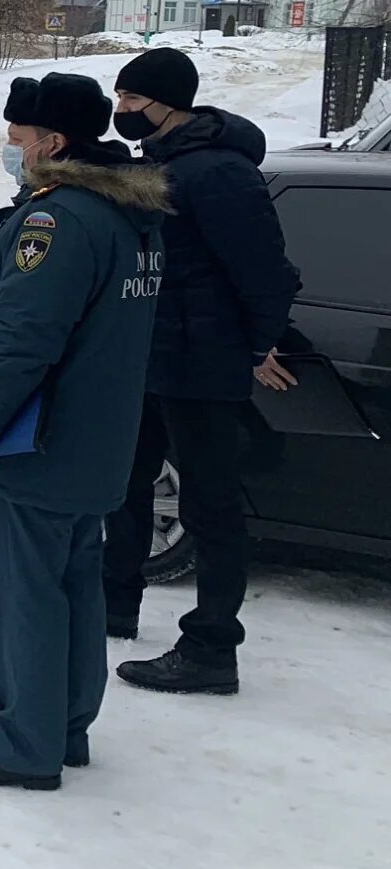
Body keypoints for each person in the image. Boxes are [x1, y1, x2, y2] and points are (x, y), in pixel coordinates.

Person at [0, 72, 169, 791]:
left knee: (22, 594)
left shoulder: (56, 220)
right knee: (73, 587)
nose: (13, 152)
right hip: (95, 442)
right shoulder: (125, 213)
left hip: (38, 444)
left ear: (53, 141)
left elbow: (29, 339)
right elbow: (80, 311)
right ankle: (63, 727)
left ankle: (22, 746)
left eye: (18, 140)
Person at [101, 47, 301, 696]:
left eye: (132, 100)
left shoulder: (218, 172)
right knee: (126, 484)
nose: (122, 111)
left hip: (204, 364)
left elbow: (264, 268)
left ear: (167, 103)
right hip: (154, 356)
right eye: (119, 99)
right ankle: (115, 605)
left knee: (209, 504)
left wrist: (260, 342)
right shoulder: (159, 162)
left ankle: (211, 647)